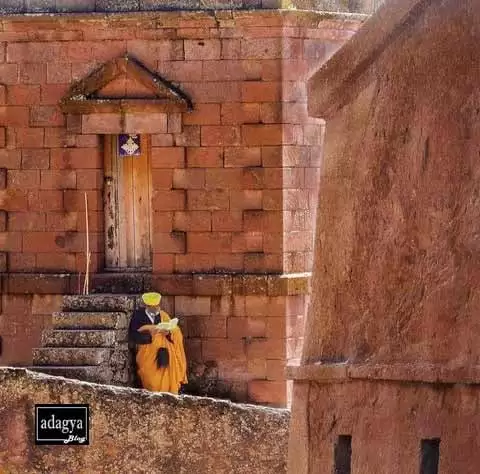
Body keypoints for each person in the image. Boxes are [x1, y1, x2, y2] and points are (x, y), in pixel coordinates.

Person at [128, 292, 187, 394]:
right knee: (150, 379)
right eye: (153, 306)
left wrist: (168, 333)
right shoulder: (138, 316)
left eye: (157, 306)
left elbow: (174, 331)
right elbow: (133, 335)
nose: (156, 308)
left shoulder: (163, 315)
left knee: (166, 376)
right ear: (147, 306)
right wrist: (151, 335)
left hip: (164, 353)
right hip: (147, 355)